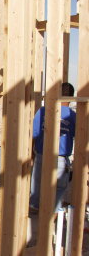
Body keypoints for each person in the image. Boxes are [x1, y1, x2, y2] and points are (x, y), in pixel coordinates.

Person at [30, 82, 76, 212]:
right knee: (57, 193)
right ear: (71, 98)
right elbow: (79, 137)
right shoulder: (72, 116)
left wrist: (32, 154)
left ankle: (36, 222)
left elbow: (34, 134)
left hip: (41, 156)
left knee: (36, 194)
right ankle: (51, 220)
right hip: (60, 159)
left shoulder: (43, 111)